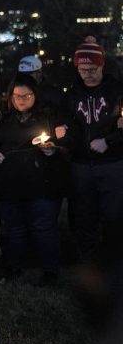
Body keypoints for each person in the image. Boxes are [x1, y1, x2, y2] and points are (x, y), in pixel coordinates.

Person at [0, 74, 65, 286]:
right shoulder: (3, 119)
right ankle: (14, 268)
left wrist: (52, 150)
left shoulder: (47, 116)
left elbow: (63, 143)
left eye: (27, 95)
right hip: (10, 184)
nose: (21, 100)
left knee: (44, 228)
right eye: (16, 96)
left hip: (41, 183)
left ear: (35, 95)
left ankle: (50, 272)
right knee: (14, 229)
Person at [58, 36, 123, 263]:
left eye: (92, 68)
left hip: (112, 164)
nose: (87, 73)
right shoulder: (72, 94)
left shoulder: (117, 91)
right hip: (82, 165)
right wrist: (62, 134)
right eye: (83, 69)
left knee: (114, 215)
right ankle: (90, 265)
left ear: (102, 64)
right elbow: (68, 124)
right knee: (85, 215)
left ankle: (113, 263)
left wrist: (109, 141)